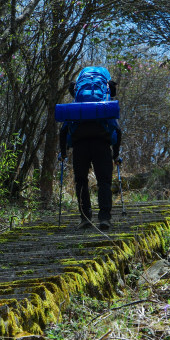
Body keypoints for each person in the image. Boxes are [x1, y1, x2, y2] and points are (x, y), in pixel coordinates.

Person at [59, 69, 122, 231]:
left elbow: (63, 130)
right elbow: (117, 130)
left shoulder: (77, 105)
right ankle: (105, 219)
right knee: (104, 182)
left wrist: (63, 152)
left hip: (80, 146)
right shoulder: (104, 102)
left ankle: (85, 218)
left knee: (81, 181)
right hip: (101, 144)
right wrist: (116, 154)